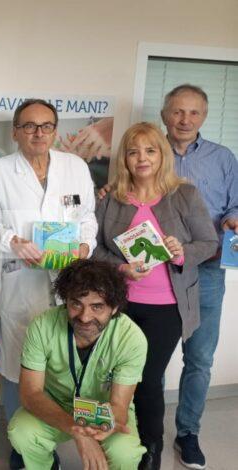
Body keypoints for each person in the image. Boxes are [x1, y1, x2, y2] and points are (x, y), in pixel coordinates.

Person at [0, 98, 97, 467]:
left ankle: (61, 437)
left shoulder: (75, 167)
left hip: (69, 278)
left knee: (66, 361)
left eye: (46, 126)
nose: (38, 133)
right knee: (19, 364)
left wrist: (84, 245)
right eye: (29, 126)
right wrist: (14, 241)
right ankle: (23, 446)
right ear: (15, 131)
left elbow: (88, 217)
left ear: (56, 131)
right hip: (21, 279)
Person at [91, 122, 217, 469]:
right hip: (121, 304)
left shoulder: (184, 195)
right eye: (134, 151)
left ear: (162, 155)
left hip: (166, 307)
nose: (142, 158)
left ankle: (151, 450)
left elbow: (208, 243)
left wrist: (179, 252)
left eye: (150, 150)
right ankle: (119, 445)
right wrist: (121, 268)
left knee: (146, 379)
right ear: (125, 159)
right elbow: (94, 250)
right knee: (115, 375)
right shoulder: (111, 197)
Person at [8, 259, 148, 470]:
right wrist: (77, 430)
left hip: (104, 411)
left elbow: (119, 407)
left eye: (97, 307)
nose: (84, 317)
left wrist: (99, 429)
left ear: (114, 307)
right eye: (76, 304)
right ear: (65, 301)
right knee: (21, 431)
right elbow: (30, 394)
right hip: (56, 405)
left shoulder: (131, 339)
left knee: (125, 453)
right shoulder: (42, 326)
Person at [161, 85, 238, 469]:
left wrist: (232, 219)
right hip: (157, 269)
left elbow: (237, 203)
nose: (185, 120)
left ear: (204, 117)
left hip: (206, 268)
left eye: (193, 113)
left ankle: (188, 433)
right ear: (165, 114)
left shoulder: (223, 158)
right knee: (147, 358)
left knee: (200, 359)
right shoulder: (149, 152)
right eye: (178, 111)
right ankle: (146, 433)